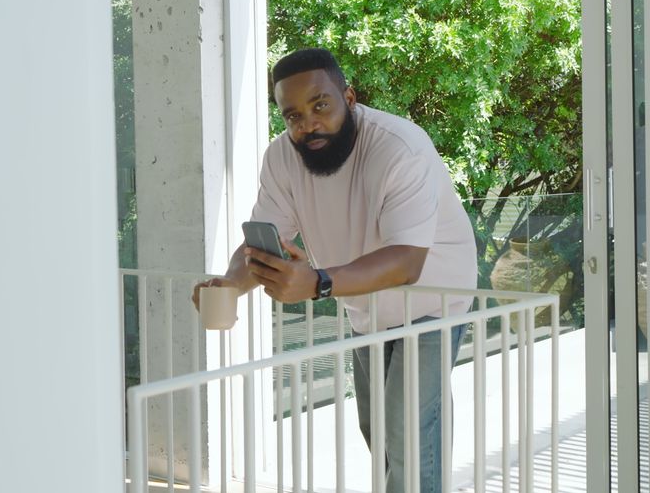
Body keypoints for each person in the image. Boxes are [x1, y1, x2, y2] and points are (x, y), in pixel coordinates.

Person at [192, 48, 477, 492]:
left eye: (320, 105)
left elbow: (407, 260)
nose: (308, 123)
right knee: (378, 430)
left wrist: (319, 282)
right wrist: (229, 284)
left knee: (410, 433)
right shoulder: (283, 158)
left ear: (349, 96)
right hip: (363, 303)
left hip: (434, 299)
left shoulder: (399, 147)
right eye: (293, 115)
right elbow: (261, 242)